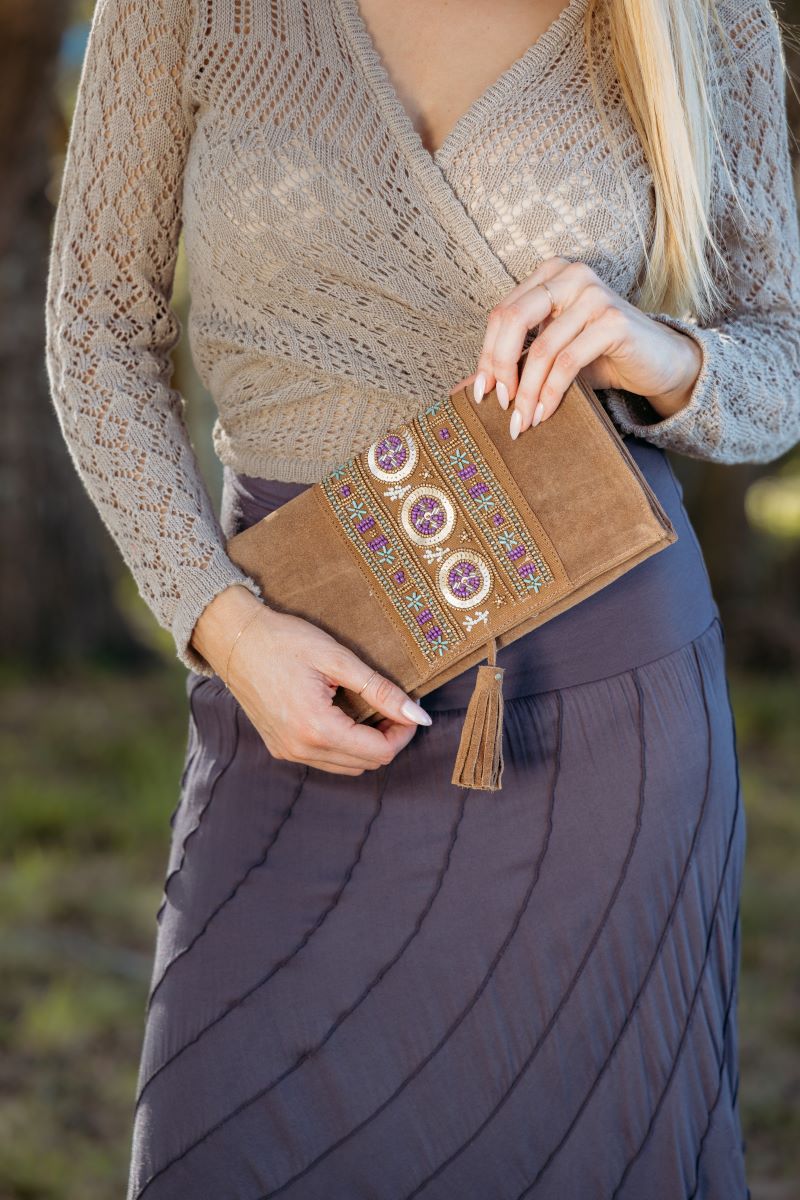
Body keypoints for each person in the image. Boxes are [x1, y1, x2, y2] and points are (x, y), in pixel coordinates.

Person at [44, 0, 800, 1195]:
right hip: (288, 681)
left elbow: (777, 359)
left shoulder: (693, 18)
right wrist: (218, 622)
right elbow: (97, 330)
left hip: (598, 706)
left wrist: (652, 350)